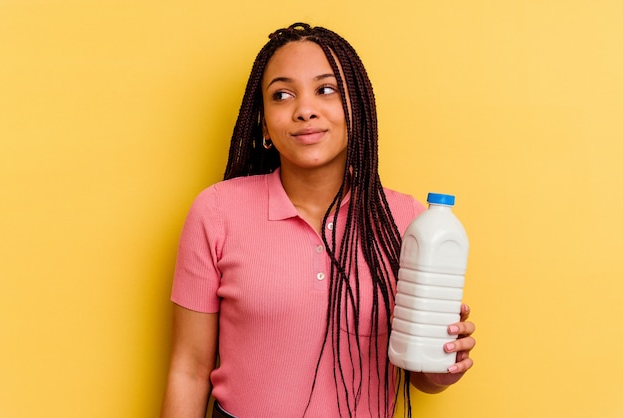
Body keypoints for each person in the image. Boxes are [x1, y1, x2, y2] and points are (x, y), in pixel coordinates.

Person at [160, 22, 476, 418]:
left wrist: (444, 366)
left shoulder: (408, 222)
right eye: (282, 94)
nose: (305, 109)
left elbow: (422, 374)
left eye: (326, 90)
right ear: (263, 126)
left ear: (356, 110)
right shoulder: (216, 212)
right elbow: (189, 370)